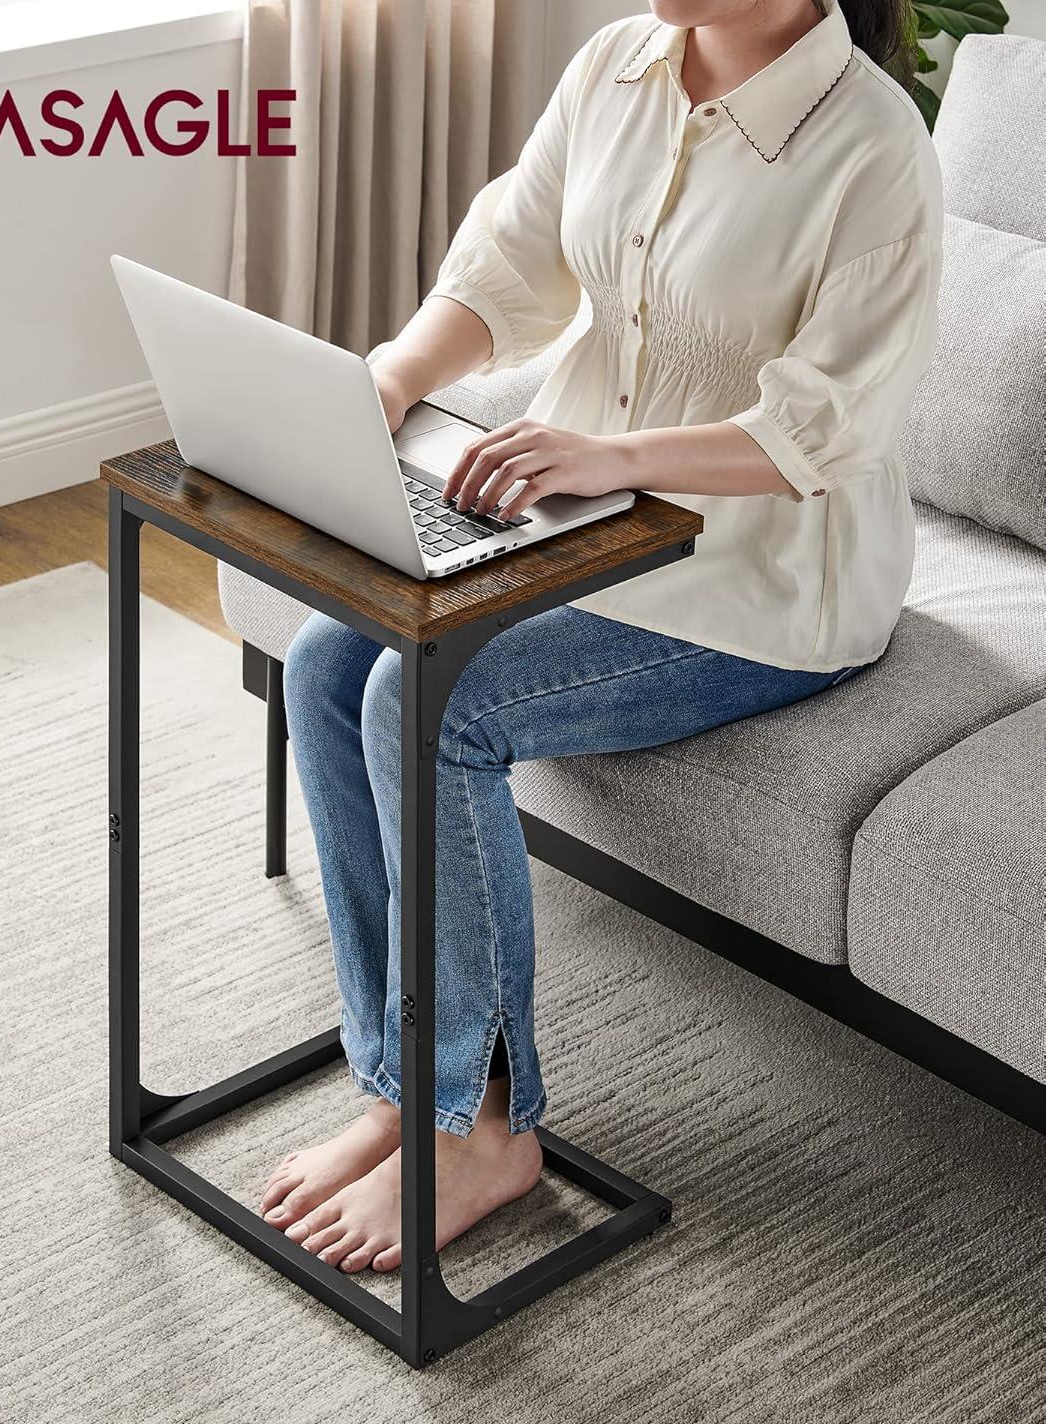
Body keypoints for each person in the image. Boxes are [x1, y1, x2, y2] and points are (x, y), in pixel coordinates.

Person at [259, 0, 943, 1274]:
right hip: (586, 523)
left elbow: (826, 429)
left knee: (430, 705)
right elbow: (509, 264)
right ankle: (406, 1090)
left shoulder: (873, 144)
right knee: (326, 658)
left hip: (766, 580)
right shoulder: (619, 63)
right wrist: (395, 375)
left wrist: (608, 453)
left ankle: (488, 1131)